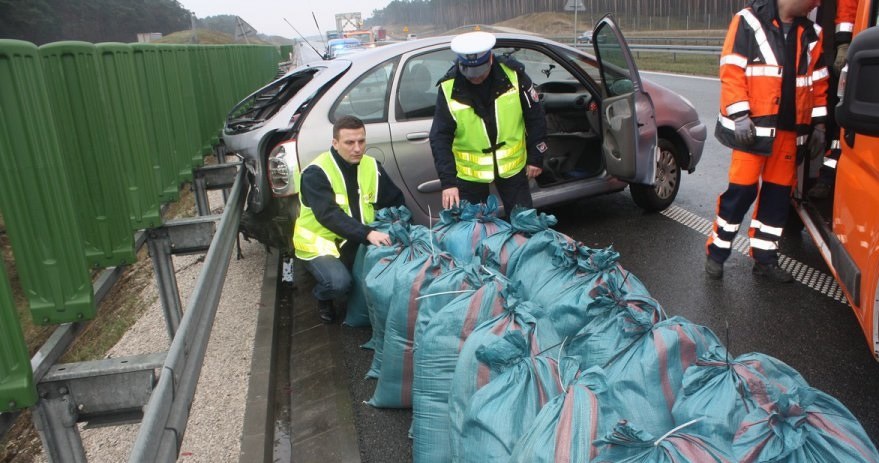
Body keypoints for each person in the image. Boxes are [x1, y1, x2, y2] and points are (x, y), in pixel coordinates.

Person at [706, 0, 829, 283]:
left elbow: (819, 81)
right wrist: (739, 114)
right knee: (741, 194)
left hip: (789, 134)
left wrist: (820, 124)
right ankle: (716, 252)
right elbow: (732, 70)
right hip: (752, 131)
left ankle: (764, 259)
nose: (817, 3)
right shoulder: (747, 21)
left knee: (776, 200)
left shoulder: (813, 34)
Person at [292, 115, 406, 322]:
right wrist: (368, 233)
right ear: (335, 144)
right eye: (349, 143)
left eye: (361, 141)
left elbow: (395, 200)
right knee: (339, 284)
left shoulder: (371, 166)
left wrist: (404, 227)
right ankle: (322, 295)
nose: (357, 148)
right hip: (321, 246)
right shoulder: (316, 173)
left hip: (355, 240)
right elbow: (329, 215)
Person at [429, 31, 548, 215]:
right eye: (469, 72)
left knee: (524, 226)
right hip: (470, 176)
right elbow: (439, 137)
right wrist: (449, 183)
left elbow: (536, 117)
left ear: (490, 59)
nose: (475, 77)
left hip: (513, 170)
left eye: (480, 72)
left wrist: (535, 157)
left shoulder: (514, 76)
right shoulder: (448, 87)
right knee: (473, 232)